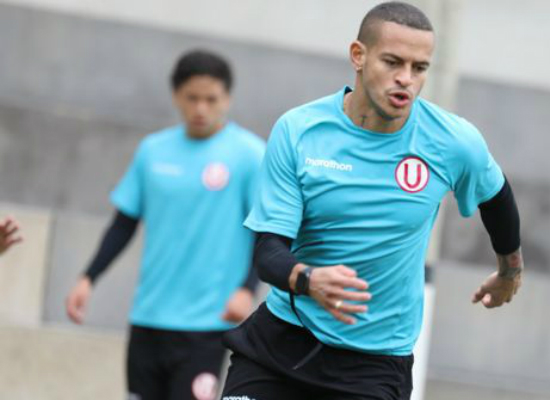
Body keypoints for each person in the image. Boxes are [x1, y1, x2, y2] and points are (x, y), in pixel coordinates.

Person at [220, 2, 524, 400]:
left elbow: (497, 197)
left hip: (374, 365)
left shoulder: (453, 141)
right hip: (281, 344)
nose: (406, 79)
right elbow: (268, 251)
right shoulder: (299, 131)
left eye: (419, 68)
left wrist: (509, 272)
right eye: (393, 62)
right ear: (358, 56)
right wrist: (308, 280)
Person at [64, 49, 265, 400]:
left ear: (227, 99)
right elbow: (123, 224)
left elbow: (267, 231)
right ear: (176, 96)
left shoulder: (250, 155)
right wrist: (88, 277)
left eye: (211, 99)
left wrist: (247, 289)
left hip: (208, 322)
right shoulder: (152, 151)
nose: (200, 108)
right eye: (192, 98)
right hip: (148, 317)